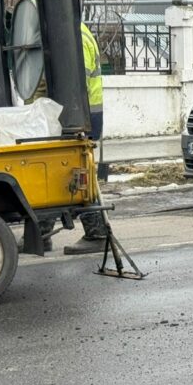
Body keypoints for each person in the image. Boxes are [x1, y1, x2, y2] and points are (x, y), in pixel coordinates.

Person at [63, 21, 108, 255]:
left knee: (81, 173)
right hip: (84, 114)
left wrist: (77, 120)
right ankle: (40, 231)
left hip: (84, 115)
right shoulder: (76, 30)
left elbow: (76, 83)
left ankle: (97, 232)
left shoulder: (75, 37)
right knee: (64, 171)